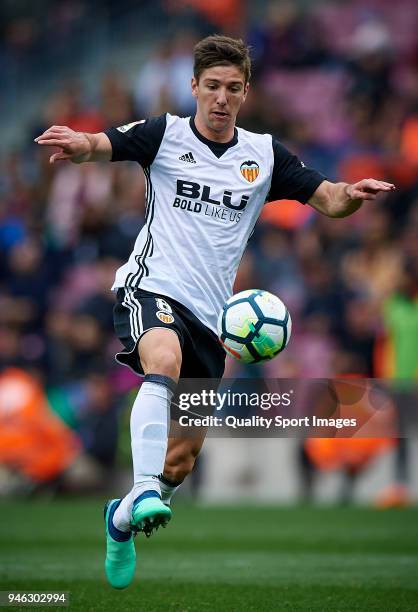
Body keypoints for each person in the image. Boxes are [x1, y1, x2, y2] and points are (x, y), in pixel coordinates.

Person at [35, 35, 395, 589]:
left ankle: (124, 514)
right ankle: (146, 488)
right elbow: (103, 144)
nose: (221, 98)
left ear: (245, 92)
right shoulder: (166, 134)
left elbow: (327, 197)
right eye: (212, 87)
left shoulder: (265, 156)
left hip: (212, 318)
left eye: (232, 88)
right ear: (194, 87)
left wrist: (353, 191)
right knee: (164, 355)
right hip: (150, 287)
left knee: (179, 463)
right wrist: (77, 142)